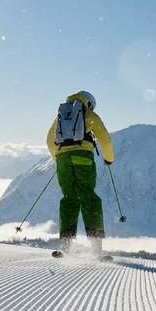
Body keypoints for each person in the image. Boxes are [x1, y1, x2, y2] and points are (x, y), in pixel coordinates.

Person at [46, 91, 113, 257]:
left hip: (62, 159)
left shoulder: (60, 116)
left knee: (69, 198)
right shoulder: (89, 114)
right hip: (82, 158)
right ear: (89, 102)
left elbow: (49, 140)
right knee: (88, 197)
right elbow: (104, 137)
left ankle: (66, 246)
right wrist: (109, 158)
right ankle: (96, 248)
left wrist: (59, 161)